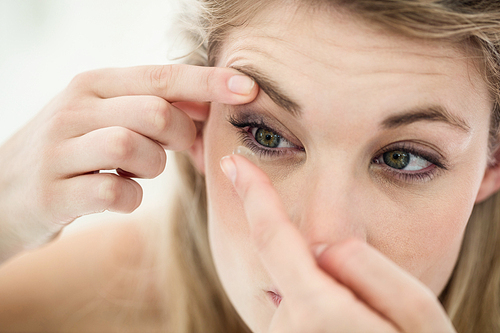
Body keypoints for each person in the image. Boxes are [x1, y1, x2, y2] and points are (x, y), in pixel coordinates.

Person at [0, 0, 499, 332]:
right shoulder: (103, 299)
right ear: (194, 125)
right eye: (267, 135)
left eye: (403, 158)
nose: (318, 239)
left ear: (491, 167)